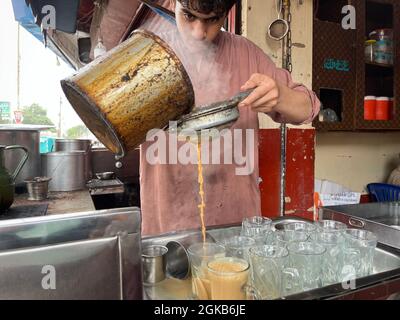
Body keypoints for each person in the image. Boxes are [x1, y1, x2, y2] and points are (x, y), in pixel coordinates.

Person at [139, 0, 321, 236]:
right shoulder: (147, 54)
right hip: (167, 231)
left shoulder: (245, 54)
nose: (199, 33)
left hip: (237, 232)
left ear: (226, 14)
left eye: (213, 20)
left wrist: (280, 95)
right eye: (188, 16)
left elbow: (309, 107)